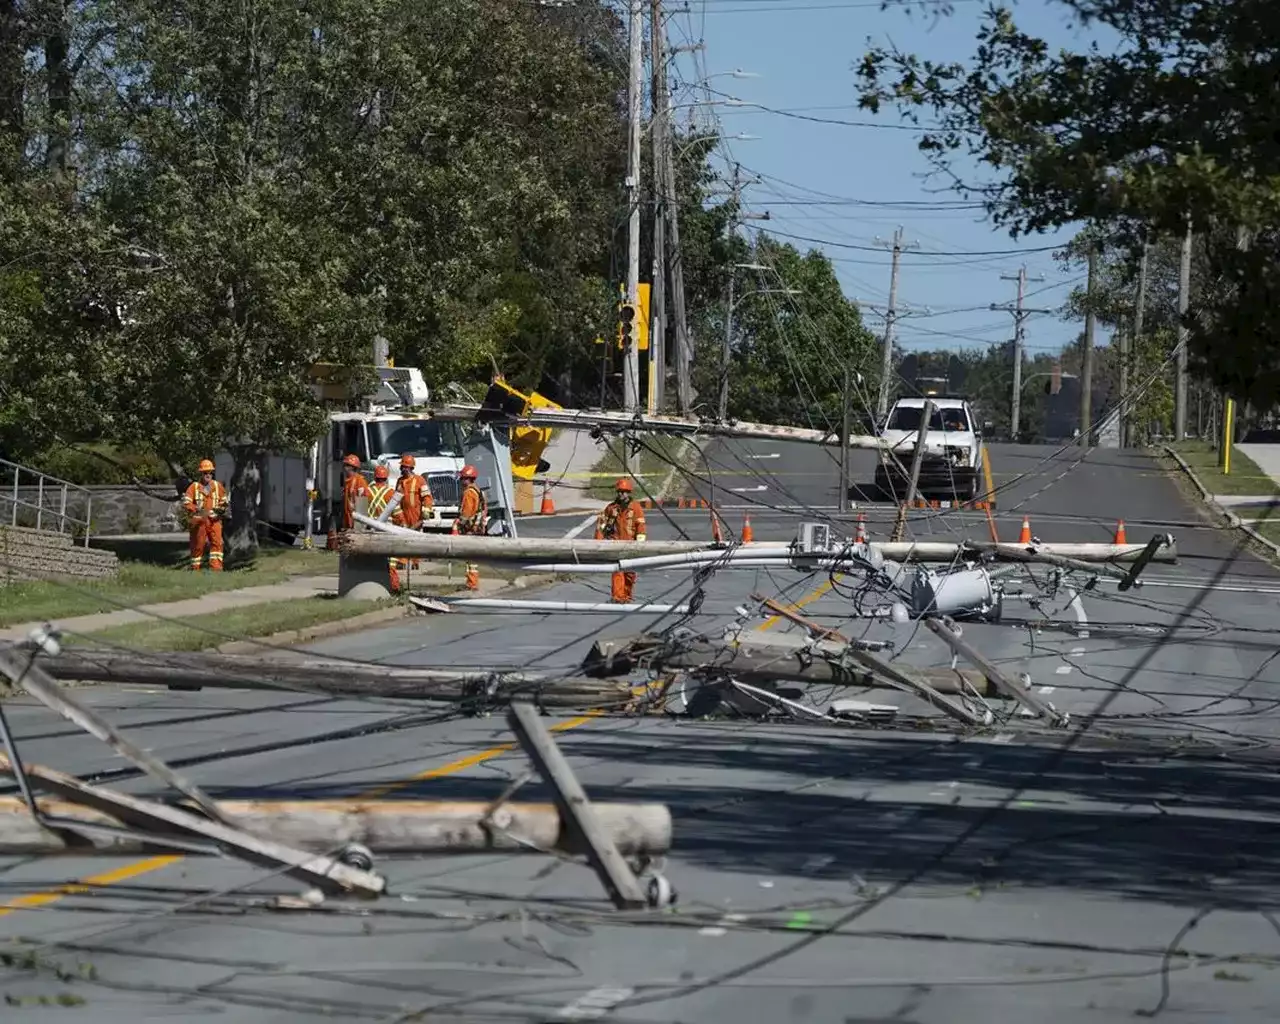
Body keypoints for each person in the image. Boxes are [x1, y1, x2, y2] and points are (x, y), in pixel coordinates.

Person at [594, 478, 646, 603]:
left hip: (631, 545)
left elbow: (641, 526)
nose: (621, 494)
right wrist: (597, 543)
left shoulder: (636, 508)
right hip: (615, 544)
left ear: (629, 492)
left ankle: (627, 596)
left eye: (624, 491)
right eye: (620, 491)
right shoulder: (611, 508)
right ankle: (618, 597)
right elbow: (602, 525)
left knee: (630, 573)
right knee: (617, 571)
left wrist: (640, 544)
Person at [182, 459, 229, 572]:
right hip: (199, 521)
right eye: (205, 473)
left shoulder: (218, 486)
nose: (208, 475)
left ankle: (216, 569)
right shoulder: (194, 487)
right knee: (197, 545)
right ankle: (195, 569)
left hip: (214, 520)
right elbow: (186, 503)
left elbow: (224, 503)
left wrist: (219, 511)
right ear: (201, 474)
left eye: (210, 472)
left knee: (217, 544)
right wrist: (196, 509)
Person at [450, 464, 487, 590]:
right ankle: (471, 581)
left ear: (468, 478)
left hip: (470, 529)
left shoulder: (469, 493)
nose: (461, 481)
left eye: (462, 478)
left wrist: (458, 523)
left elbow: (466, 513)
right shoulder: (478, 490)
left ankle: (472, 583)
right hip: (476, 528)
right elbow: (483, 509)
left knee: (470, 558)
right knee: (472, 559)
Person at [366, 464, 401, 592]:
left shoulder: (367, 491)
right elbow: (397, 514)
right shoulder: (390, 493)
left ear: (374, 478)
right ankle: (393, 587)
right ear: (386, 478)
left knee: (373, 560)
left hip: (371, 530)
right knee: (391, 561)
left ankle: (373, 586)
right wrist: (401, 525)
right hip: (387, 531)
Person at [340, 453, 371, 531]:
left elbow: (363, 507)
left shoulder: (360, 481)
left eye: (346, 465)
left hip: (356, 525)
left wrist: (359, 527)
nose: (344, 467)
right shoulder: (347, 482)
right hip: (348, 523)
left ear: (352, 467)